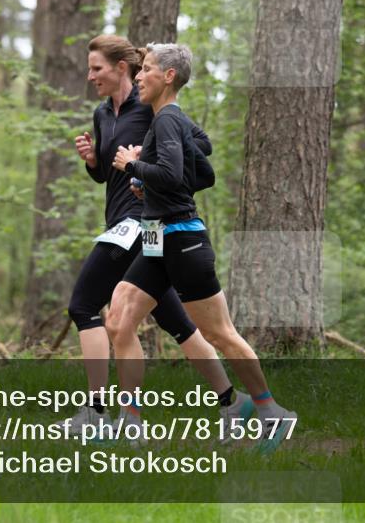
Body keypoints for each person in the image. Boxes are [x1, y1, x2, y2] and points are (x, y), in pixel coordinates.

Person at [105, 43, 297, 453]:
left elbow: (174, 175)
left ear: (168, 77)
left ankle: (270, 411)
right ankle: (132, 424)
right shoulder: (169, 122)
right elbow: (202, 172)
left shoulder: (169, 120)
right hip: (158, 235)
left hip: (182, 240)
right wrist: (145, 185)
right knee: (119, 318)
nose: (139, 76)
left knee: (219, 332)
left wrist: (131, 167)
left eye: (148, 70)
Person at [67, 35, 252, 438]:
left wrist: (144, 165)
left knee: (84, 305)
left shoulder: (151, 109)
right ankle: (231, 402)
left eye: (97, 68)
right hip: (142, 227)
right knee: (176, 322)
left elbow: (199, 144)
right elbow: (107, 174)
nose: (90, 75)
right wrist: (94, 162)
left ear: (121, 68)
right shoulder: (102, 114)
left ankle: (98, 414)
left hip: (138, 222)